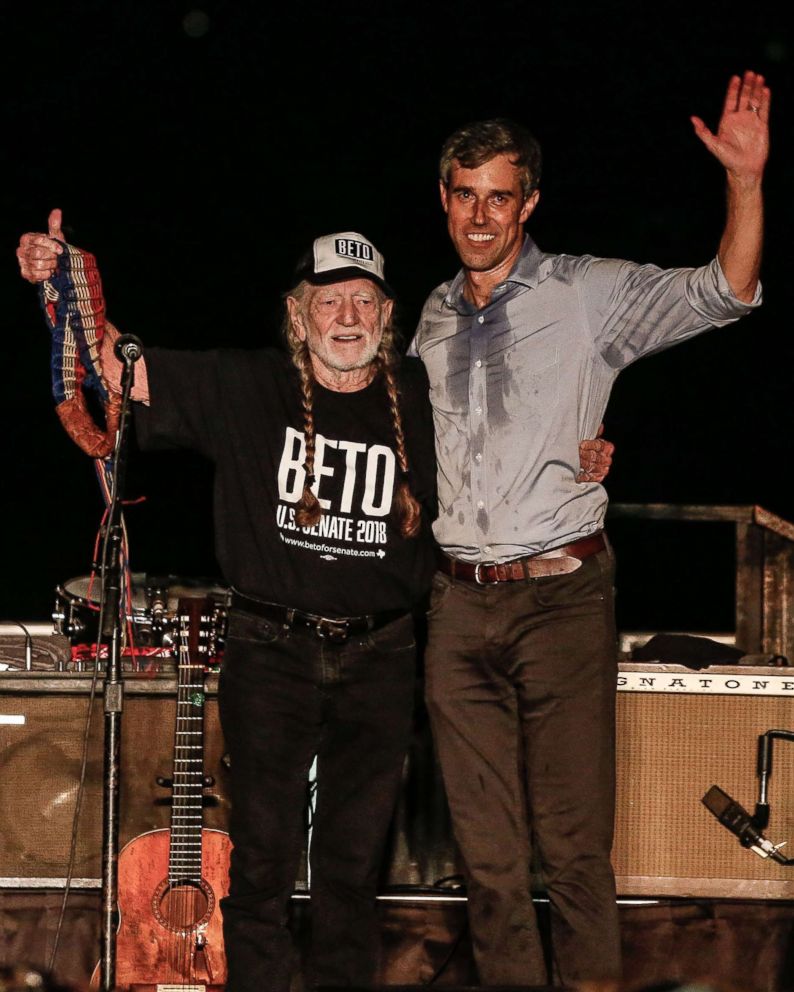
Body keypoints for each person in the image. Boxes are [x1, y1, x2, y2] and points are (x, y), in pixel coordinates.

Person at [17, 220, 613, 990]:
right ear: (299, 316)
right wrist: (64, 282)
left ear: (386, 318)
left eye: (365, 301)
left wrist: (589, 439)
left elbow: (524, 429)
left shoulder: (423, 399)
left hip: (385, 656)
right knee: (260, 866)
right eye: (329, 301)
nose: (348, 317)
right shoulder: (247, 386)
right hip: (272, 651)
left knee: (349, 871)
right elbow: (122, 370)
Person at [409, 70, 769, 987]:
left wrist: (744, 183)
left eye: (500, 197)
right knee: (487, 866)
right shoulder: (430, 317)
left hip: (562, 598)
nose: (481, 217)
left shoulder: (582, 293)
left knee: (572, 853)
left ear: (529, 202)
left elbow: (722, 292)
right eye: (465, 196)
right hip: (456, 607)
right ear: (444, 201)